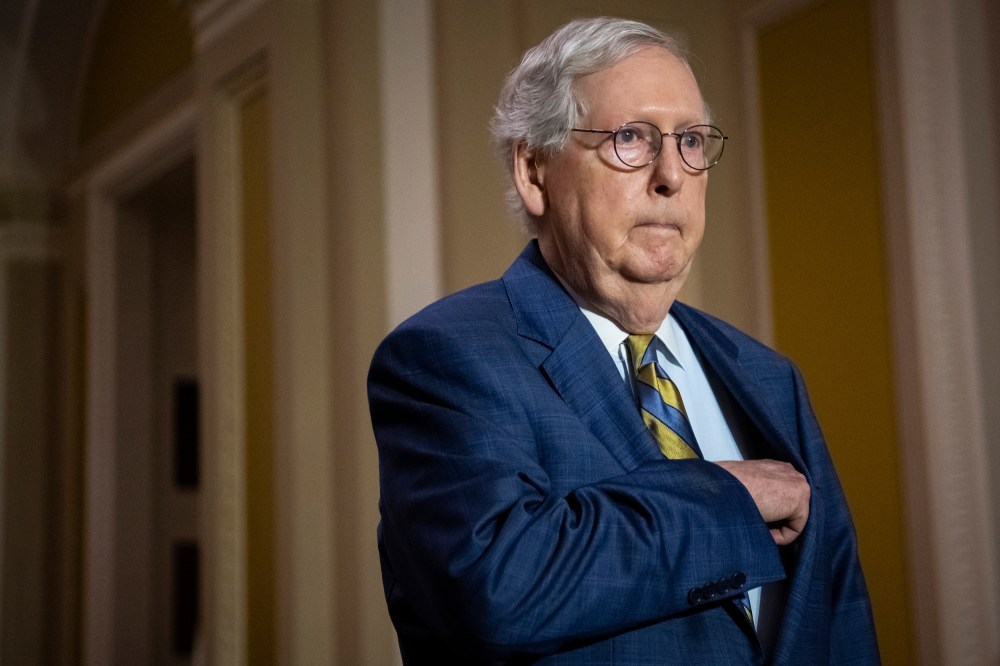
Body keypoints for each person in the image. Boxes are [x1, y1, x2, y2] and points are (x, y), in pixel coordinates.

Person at [368, 16, 879, 665]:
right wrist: (727, 502)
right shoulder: (444, 359)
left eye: (691, 140)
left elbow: (841, 626)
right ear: (534, 170)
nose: (672, 175)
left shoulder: (769, 378)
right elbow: (498, 589)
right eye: (632, 138)